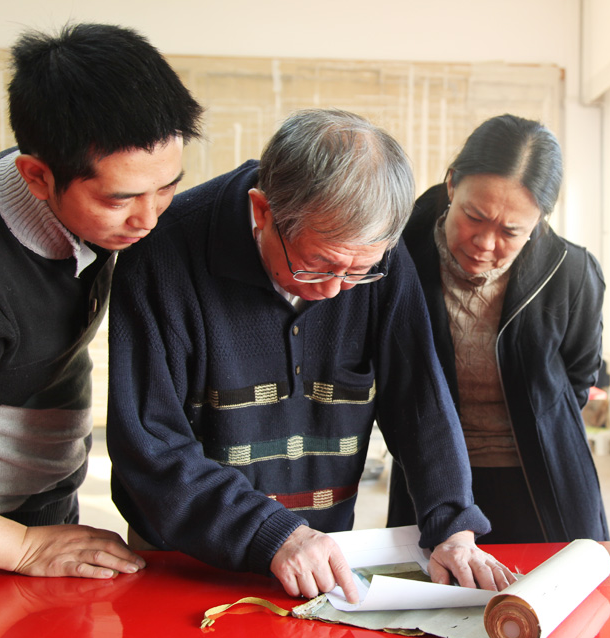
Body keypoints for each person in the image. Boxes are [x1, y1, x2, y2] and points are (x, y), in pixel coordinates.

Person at [106, 108, 514, 604]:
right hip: (184, 559)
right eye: (315, 265)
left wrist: (452, 525)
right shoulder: (162, 254)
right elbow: (149, 444)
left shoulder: (378, 263)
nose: (334, 291)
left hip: (320, 557)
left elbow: (418, 397)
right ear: (262, 212)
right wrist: (273, 533)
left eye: (356, 272)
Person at [0, 23, 203, 579]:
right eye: (122, 198)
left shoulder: (96, 208)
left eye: (168, 187)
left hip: (42, 507)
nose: (149, 219)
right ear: (36, 176)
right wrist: (23, 548)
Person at [386, 114, 608, 543]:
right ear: (452, 184)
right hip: (431, 479)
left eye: (511, 231)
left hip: (544, 478)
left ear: (540, 219)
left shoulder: (572, 272)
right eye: (474, 215)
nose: (486, 244)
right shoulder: (398, 256)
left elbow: (579, 377)